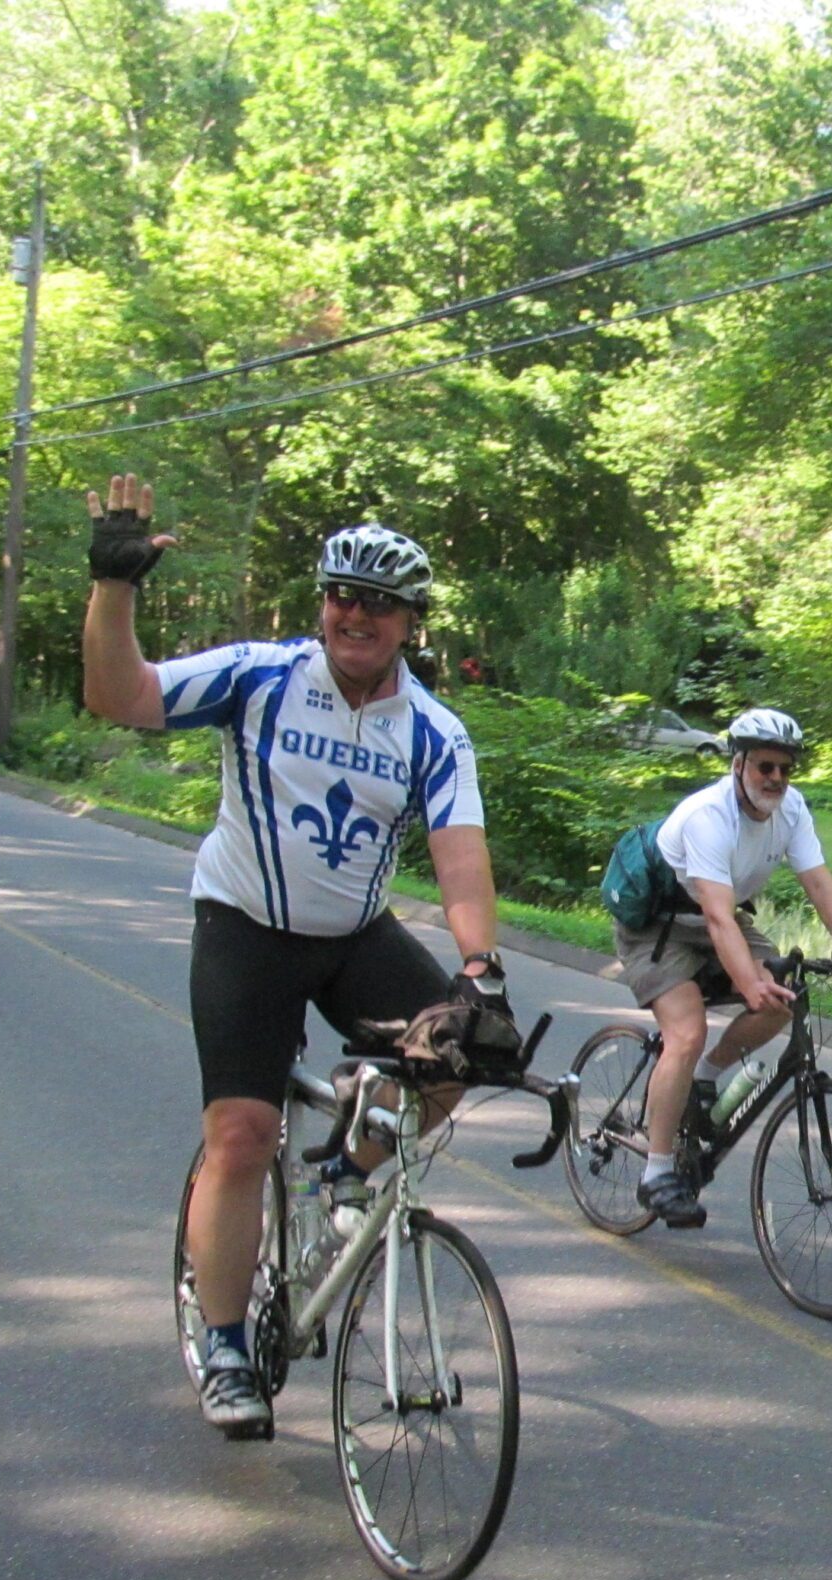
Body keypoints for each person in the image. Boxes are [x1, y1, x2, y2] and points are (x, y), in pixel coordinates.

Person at [80, 472, 509, 1439]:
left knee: (462, 1055)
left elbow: (461, 861)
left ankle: (348, 1169)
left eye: (380, 603)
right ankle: (227, 1342)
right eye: (341, 595)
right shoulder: (260, 676)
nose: (355, 614)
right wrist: (115, 590)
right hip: (246, 929)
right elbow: (118, 695)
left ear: (409, 622)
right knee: (241, 1133)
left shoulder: (434, 733)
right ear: (321, 603)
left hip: (352, 936)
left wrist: (482, 969)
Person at [615, 707, 832, 1228]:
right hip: (660, 925)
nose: (775, 779)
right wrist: (749, 983)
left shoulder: (791, 810)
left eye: (785, 769)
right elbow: (720, 919)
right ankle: (656, 1172)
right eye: (764, 767)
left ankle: (704, 1078)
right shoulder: (709, 816)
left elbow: (817, 880)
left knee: (785, 993)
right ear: (739, 763)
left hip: (716, 921)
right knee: (686, 1032)